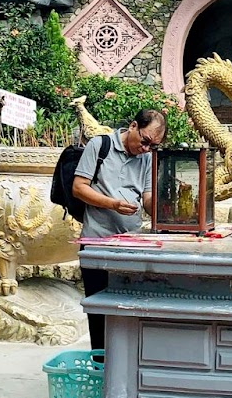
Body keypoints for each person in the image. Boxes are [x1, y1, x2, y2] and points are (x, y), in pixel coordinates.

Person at [72, 109, 168, 349]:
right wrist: (112, 204)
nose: (146, 148)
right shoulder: (100, 146)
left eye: (153, 146)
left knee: (129, 310)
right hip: (96, 243)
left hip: (130, 245)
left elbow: (147, 197)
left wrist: (166, 208)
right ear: (133, 126)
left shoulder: (146, 158)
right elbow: (79, 187)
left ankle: (127, 362)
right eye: (145, 141)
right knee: (98, 311)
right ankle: (100, 361)